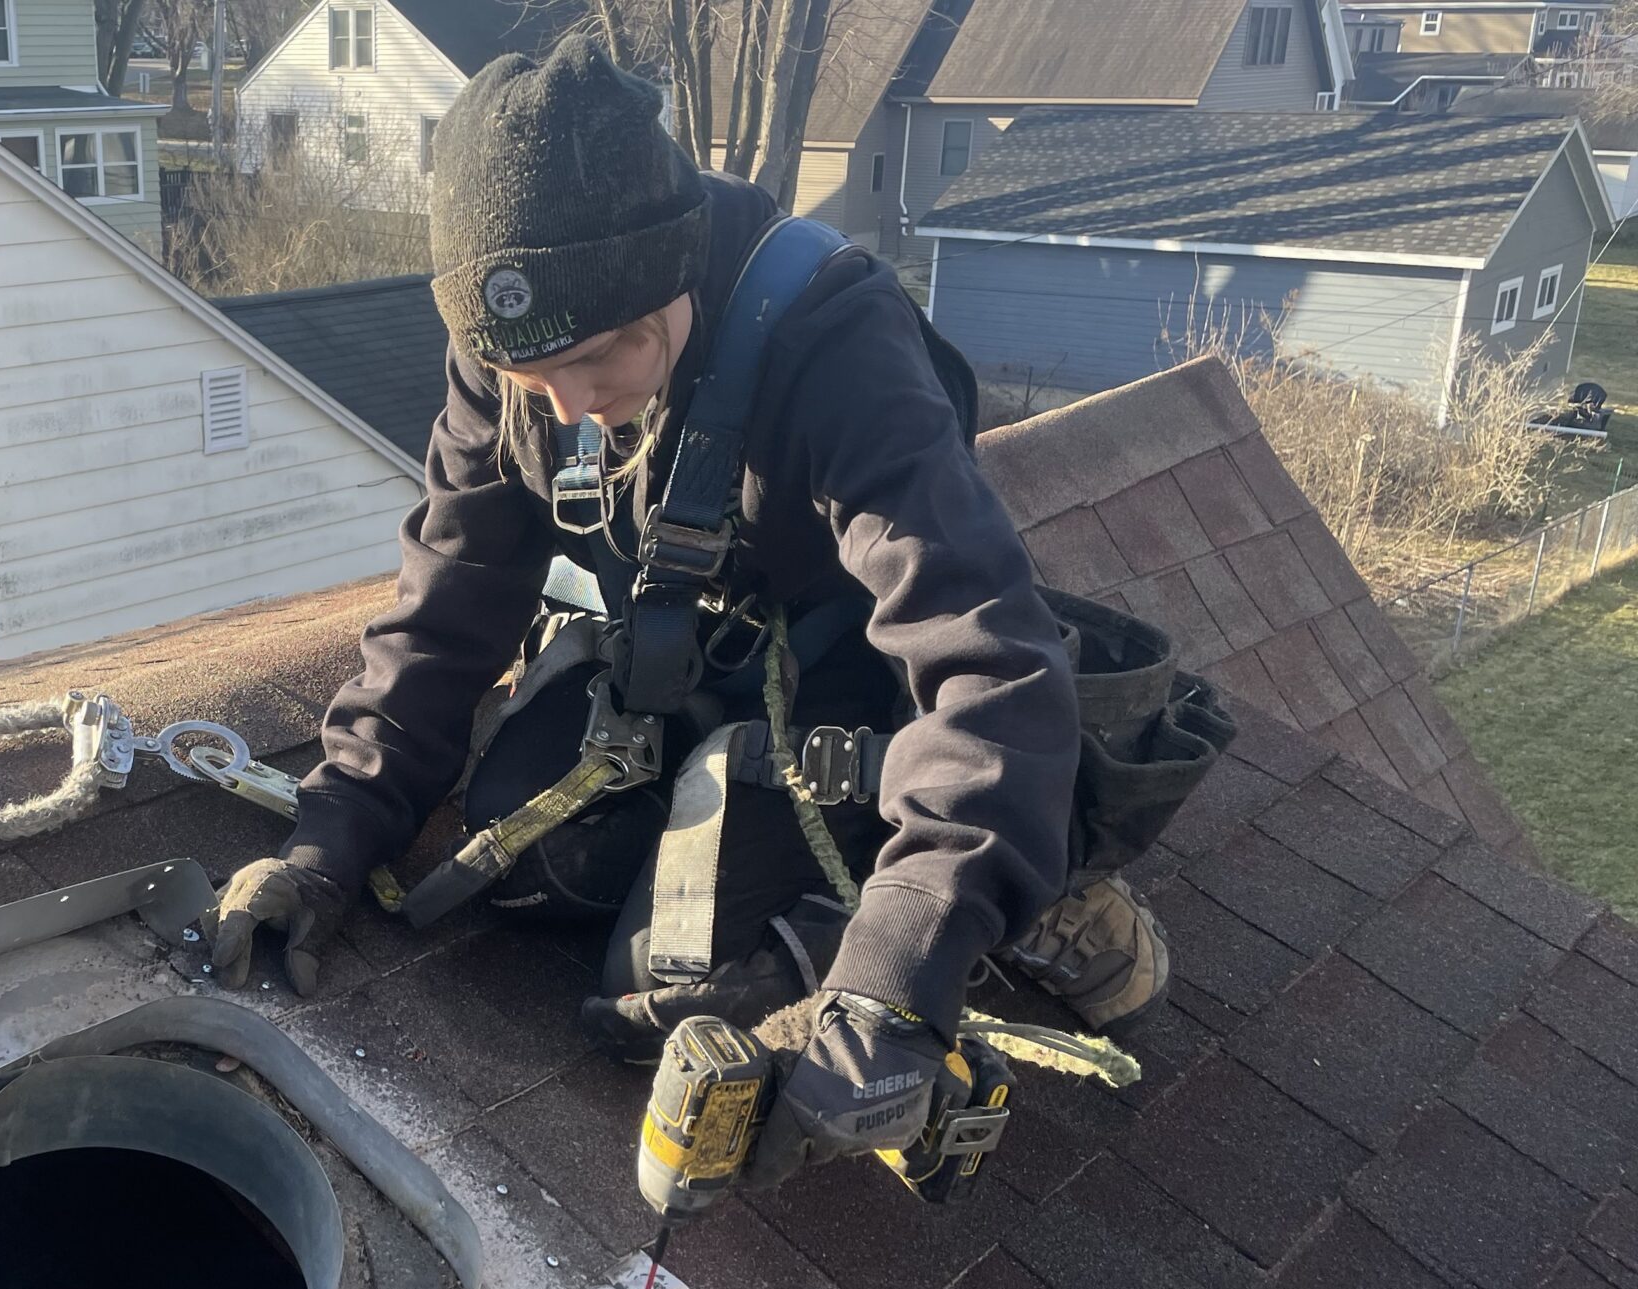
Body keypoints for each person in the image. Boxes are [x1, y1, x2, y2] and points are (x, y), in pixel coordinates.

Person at [210, 37, 1170, 1178]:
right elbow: (449, 599)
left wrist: (899, 969)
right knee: (520, 863)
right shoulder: (509, 350)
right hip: (682, 645)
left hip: (854, 673)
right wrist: (328, 840)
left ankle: (1028, 874)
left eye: (600, 359)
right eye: (531, 380)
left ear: (666, 277)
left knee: (679, 995)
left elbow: (985, 655)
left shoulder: (834, 344)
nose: (568, 404)